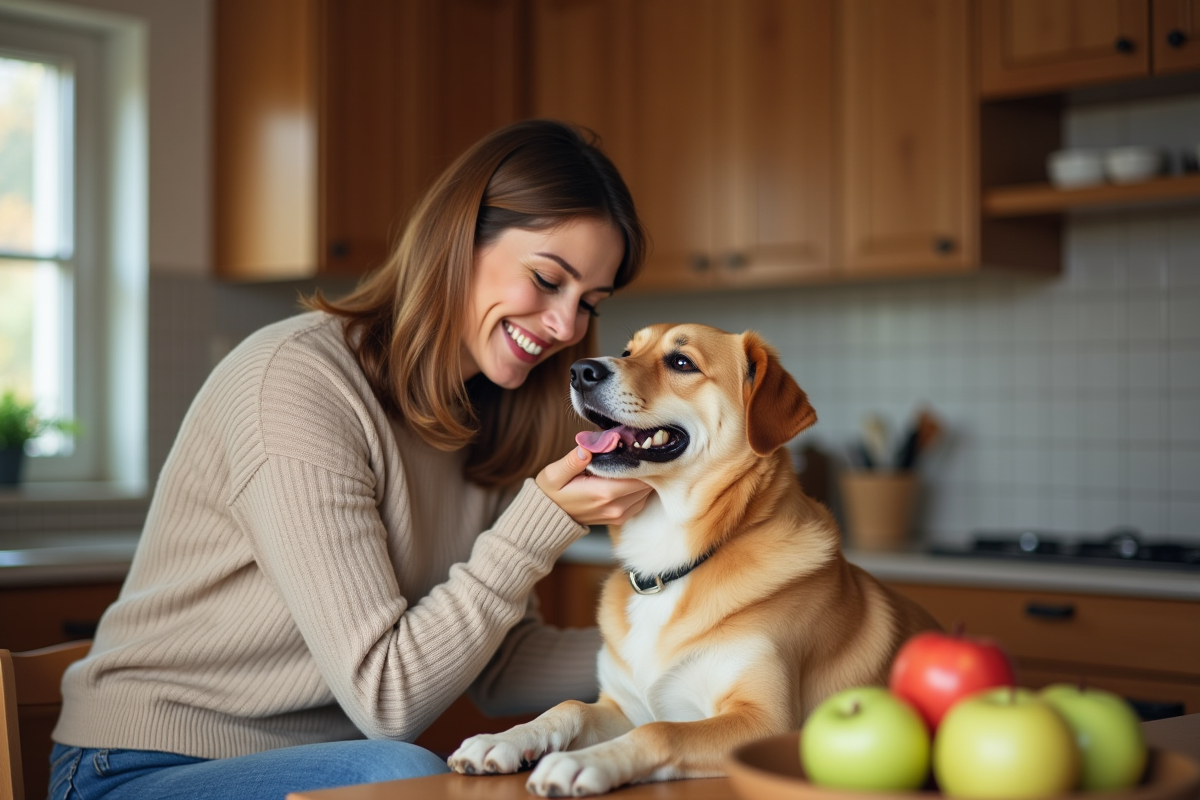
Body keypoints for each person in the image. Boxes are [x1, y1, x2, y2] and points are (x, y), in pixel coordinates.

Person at [48, 119, 653, 800]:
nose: (567, 327)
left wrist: (688, 651)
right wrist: (541, 522)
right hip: (138, 766)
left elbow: (501, 665)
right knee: (402, 776)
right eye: (548, 279)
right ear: (459, 238)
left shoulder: (493, 414)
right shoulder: (296, 381)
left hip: (322, 771)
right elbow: (388, 700)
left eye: (588, 303)